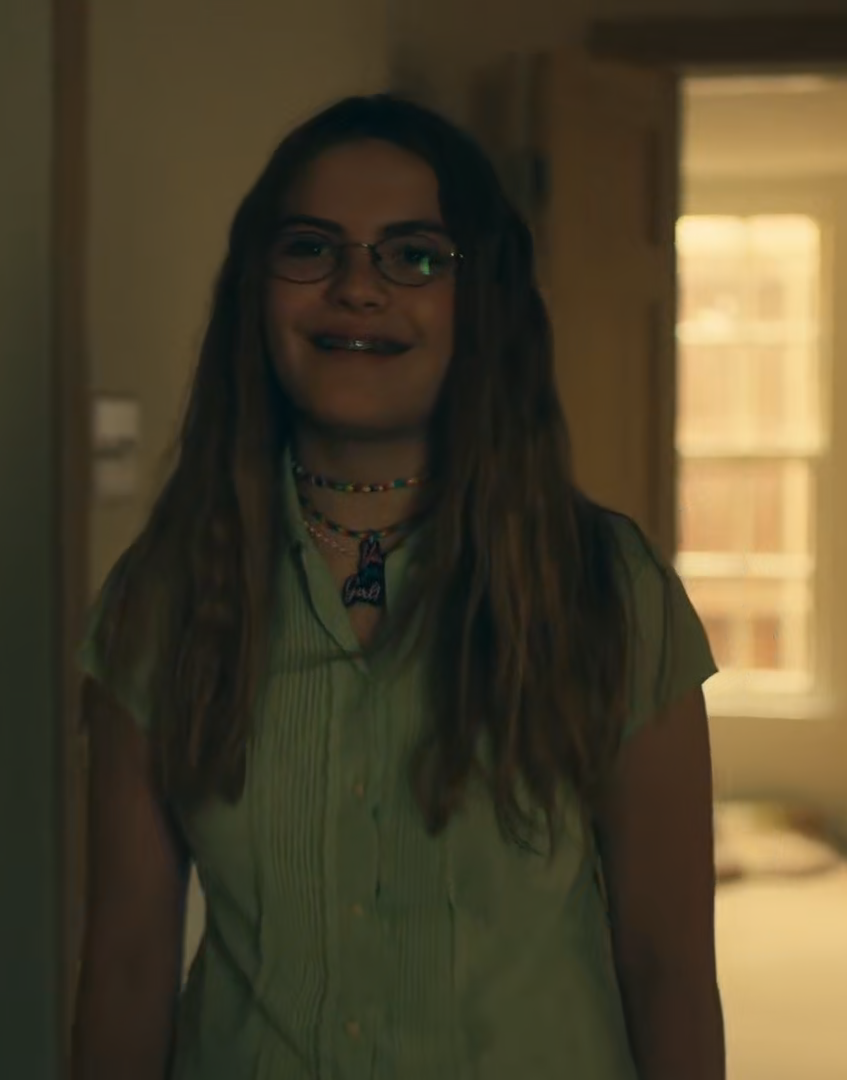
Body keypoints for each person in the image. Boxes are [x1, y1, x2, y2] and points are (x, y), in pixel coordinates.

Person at [71, 94, 725, 1080]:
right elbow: (125, 966)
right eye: (311, 249)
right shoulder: (163, 597)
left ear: (481, 300)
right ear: (257, 288)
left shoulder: (605, 588)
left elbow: (667, 967)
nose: (357, 289)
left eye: (414, 256)